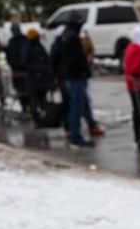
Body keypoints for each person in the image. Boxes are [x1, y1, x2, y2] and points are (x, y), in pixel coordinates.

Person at [51, 14, 95, 147]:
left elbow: (54, 58)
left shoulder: (62, 38)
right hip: (75, 77)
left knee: (78, 103)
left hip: (65, 77)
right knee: (76, 106)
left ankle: (87, 126)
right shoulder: (73, 39)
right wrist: (86, 71)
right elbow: (79, 59)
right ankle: (76, 136)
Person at [123, 26, 140, 150]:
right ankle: (139, 137)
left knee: (136, 110)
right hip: (138, 85)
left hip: (131, 84)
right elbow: (134, 69)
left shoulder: (130, 47)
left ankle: (138, 136)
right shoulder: (138, 49)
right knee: (139, 111)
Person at [24, 28, 53, 122]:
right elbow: (26, 63)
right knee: (35, 98)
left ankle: (42, 115)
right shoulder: (30, 48)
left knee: (40, 97)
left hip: (39, 77)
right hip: (34, 77)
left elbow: (46, 59)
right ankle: (37, 115)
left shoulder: (38, 46)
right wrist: (39, 68)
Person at [6, 23, 30, 110]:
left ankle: (24, 104)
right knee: (25, 87)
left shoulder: (12, 41)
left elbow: (8, 56)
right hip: (24, 69)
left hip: (17, 69)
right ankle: (26, 104)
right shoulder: (25, 39)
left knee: (20, 88)